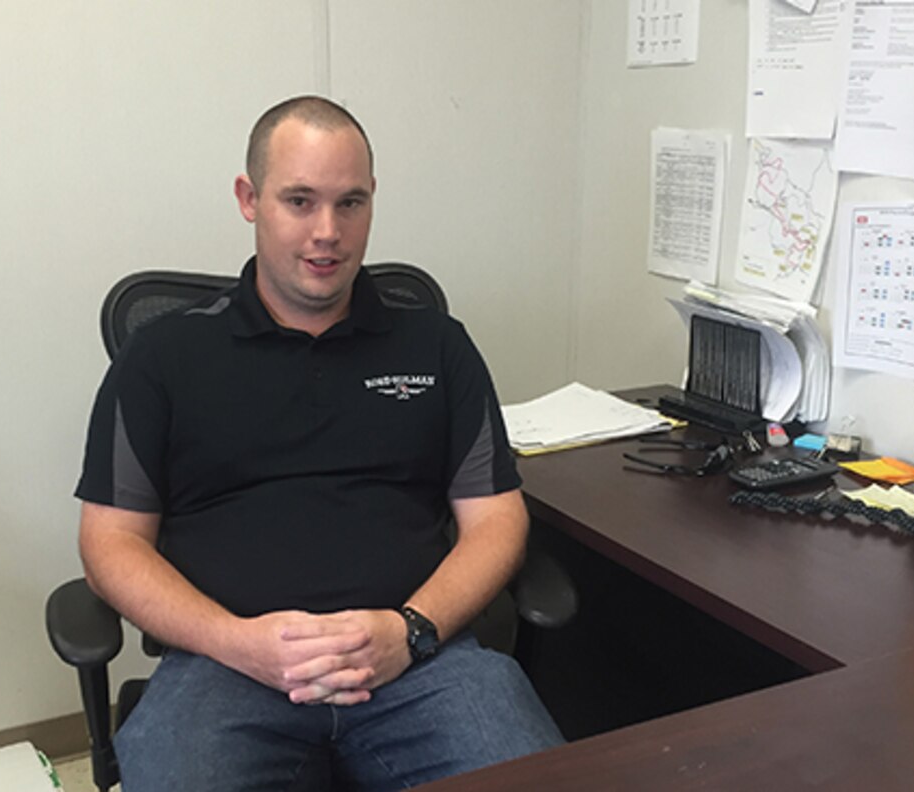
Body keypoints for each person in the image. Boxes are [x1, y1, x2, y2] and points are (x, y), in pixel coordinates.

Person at [75, 95, 563, 791]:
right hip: (226, 669)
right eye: (299, 201)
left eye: (351, 203)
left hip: (421, 667)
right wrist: (236, 643)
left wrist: (412, 631)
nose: (327, 232)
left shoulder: (437, 346)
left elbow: (496, 520)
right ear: (250, 199)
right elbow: (110, 544)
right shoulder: (163, 356)